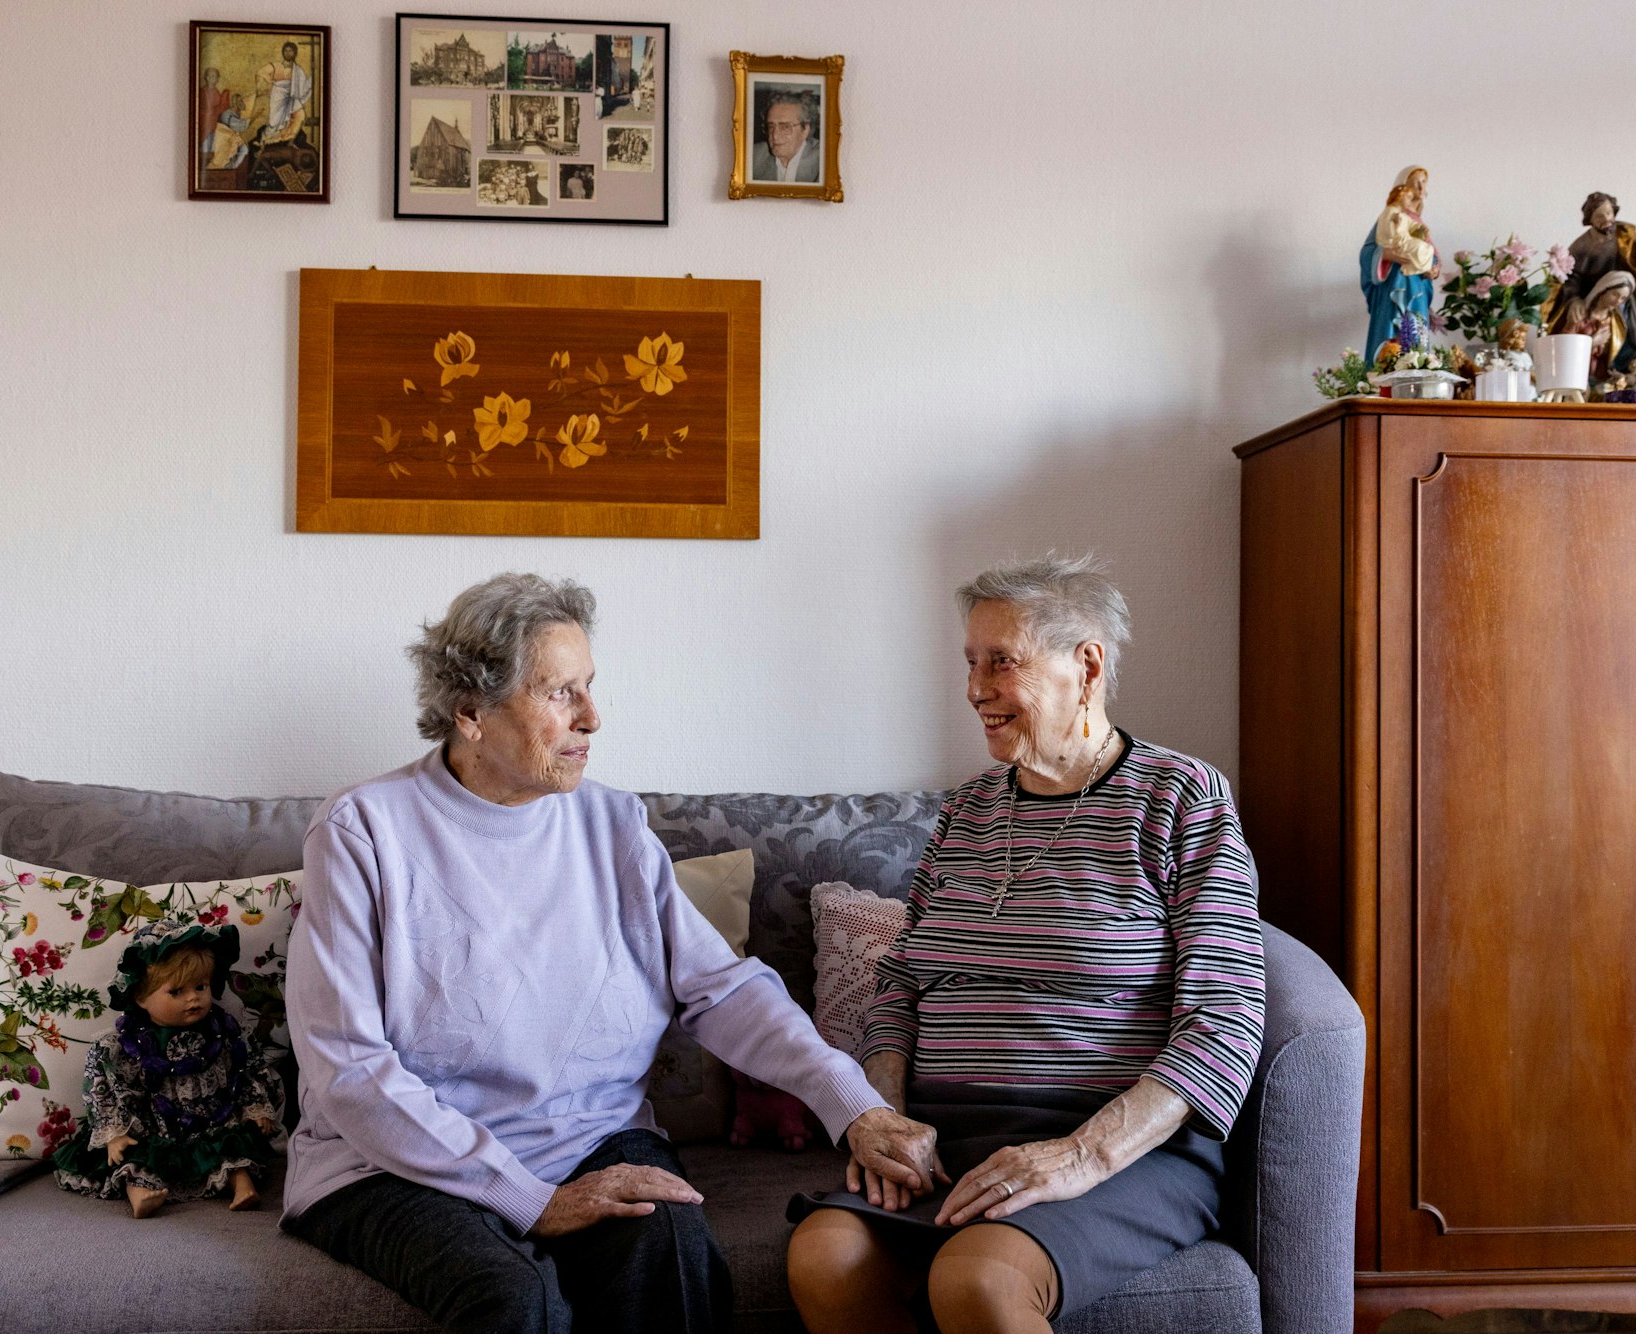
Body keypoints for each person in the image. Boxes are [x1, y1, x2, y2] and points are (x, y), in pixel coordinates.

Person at [283, 573, 936, 1334]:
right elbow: (349, 1072)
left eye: (589, 687)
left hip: (589, 1137)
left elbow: (722, 989)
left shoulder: (613, 826)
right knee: (515, 1300)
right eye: (561, 693)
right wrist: (531, 1200)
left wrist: (851, 1104)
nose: (593, 717)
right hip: (393, 1165)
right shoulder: (364, 832)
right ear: (470, 711)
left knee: (668, 1249)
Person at [785, 555, 1266, 1334]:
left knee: (977, 1280)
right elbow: (901, 984)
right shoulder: (969, 811)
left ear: (1086, 666)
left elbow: (1226, 1016)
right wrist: (889, 1117)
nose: (976, 690)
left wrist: (1078, 1155)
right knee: (823, 1257)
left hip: (1117, 1151)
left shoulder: (1181, 798)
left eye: (1000, 662)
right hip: (954, 1143)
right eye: (970, 663)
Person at [51, 919, 282, 1218]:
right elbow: (104, 1088)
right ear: (140, 997)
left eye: (201, 986)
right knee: (134, 1157)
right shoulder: (123, 1046)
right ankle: (140, 1194)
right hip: (152, 1129)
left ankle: (241, 1185)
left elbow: (246, 1070)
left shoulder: (223, 1034)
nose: (193, 998)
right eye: (176, 992)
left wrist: (256, 1109)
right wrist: (114, 1133)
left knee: (231, 1147)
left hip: (211, 1124)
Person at [1548, 192, 1636, 340]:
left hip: (1623, 302)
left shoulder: (1625, 235)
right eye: (1599, 216)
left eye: (1608, 212)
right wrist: (1574, 300)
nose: (1606, 219)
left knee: (1632, 339)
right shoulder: (1582, 246)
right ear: (1590, 220)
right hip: (1593, 304)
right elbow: (1570, 277)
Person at [1359, 165, 1439, 362]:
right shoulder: (1390, 216)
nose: (1420, 188)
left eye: (1423, 183)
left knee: (1416, 334)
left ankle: (1417, 373)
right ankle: (1382, 375)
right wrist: (1386, 255)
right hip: (1394, 284)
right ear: (1404, 188)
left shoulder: (1418, 223)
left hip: (1417, 287)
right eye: (1415, 183)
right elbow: (1367, 252)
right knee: (1390, 335)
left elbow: (1431, 253)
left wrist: (1434, 269)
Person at [1555, 270, 1636, 382]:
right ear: (1603, 290)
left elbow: (1618, 353)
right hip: (1573, 372)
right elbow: (1563, 347)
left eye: (1623, 298)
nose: (1618, 301)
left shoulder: (1616, 322)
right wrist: (1592, 343)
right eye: (1615, 294)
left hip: (1599, 376)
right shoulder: (1579, 314)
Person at [254, 40, 314, 146]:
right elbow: (260, 72)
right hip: (278, 95)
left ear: (295, 53)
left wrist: (312, 80)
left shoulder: (298, 70)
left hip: (292, 96)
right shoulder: (276, 66)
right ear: (282, 52)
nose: (288, 53)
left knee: (300, 115)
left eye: (290, 51)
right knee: (275, 121)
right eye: (286, 51)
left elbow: (303, 88)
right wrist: (267, 83)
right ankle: (265, 140)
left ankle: (289, 140)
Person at [752, 92, 820, 183]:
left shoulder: (824, 160)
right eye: (771, 127)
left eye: (785, 127)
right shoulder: (753, 155)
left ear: (805, 130)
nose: (774, 136)